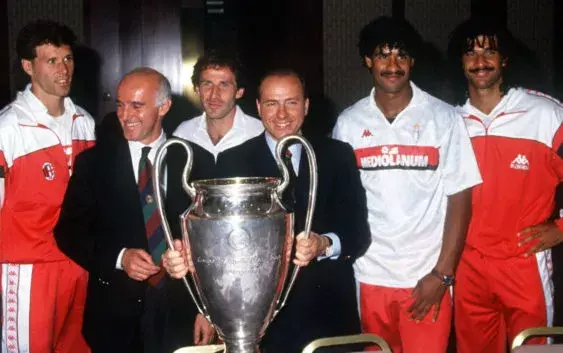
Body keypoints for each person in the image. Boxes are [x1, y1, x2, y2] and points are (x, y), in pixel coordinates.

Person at [163, 69, 371, 353]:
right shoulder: (231, 162)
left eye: (292, 102)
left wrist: (325, 244)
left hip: (329, 316)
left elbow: (358, 232)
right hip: (259, 323)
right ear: (259, 107)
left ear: (307, 105)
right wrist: (184, 259)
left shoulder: (337, 155)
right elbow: (214, 245)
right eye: (272, 103)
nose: (282, 113)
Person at [332, 16, 482, 353]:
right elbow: (341, 202)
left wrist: (442, 275)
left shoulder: (443, 117)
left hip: (425, 279)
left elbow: (460, 197)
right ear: (368, 61)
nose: (393, 65)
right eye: (383, 55)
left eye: (401, 55)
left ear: (413, 61)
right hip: (369, 277)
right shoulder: (349, 122)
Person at [54, 67, 216, 353]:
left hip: (181, 314)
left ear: (164, 106)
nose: (125, 115)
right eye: (120, 104)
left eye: (137, 106)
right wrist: (120, 257)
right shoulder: (94, 163)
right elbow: (68, 233)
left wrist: (207, 310)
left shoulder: (196, 161)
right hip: (114, 318)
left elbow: (213, 245)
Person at [447, 17, 563, 352]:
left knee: (538, 349)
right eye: (470, 53)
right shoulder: (448, 121)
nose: (480, 61)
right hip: (467, 267)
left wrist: (560, 227)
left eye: (489, 51)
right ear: (459, 61)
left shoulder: (545, 114)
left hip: (524, 263)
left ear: (505, 59)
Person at [0, 20, 95, 353]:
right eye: (51, 60)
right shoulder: (8, 127)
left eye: (67, 59)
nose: (63, 69)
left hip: (78, 264)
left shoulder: (85, 121)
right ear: (28, 66)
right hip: (28, 269)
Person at [173, 50, 263, 158]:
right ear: (197, 90)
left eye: (224, 85)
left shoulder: (259, 132)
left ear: (239, 92)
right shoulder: (183, 134)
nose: (214, 95)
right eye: (207, 84)